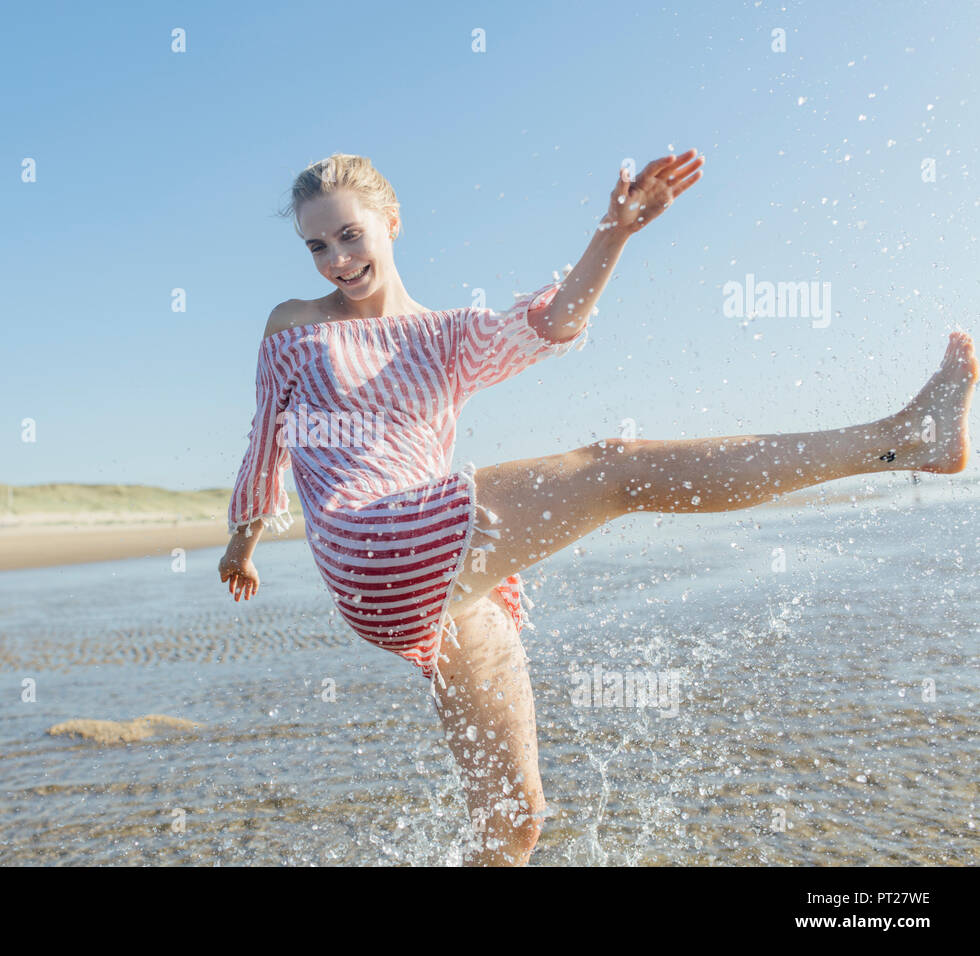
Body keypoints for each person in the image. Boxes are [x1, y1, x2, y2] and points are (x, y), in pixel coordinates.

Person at [219, 151, 976, 866]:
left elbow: (547, 325)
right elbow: (267, 440)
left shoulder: (444, 336)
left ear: (391, 221)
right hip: (369, 542)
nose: (338, 260)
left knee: (514, 821)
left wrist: (612, 236)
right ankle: (906, 438)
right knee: (619, 470)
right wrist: (241, 539)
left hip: (437, 567)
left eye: (350, 235)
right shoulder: (295, 324)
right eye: (318, 246)